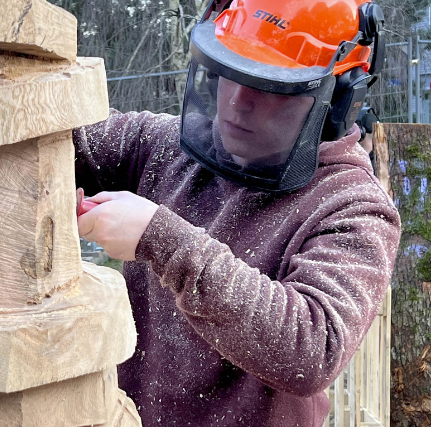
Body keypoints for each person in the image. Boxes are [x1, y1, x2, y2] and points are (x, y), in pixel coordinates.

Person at [73, 0, 400, 426]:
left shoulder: (353, 207)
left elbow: (312, 348)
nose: (237, 102)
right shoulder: (167, 148)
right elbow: (65, 139)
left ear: (337, 101)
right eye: (229, 72)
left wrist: (162, 239)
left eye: (268, 85)